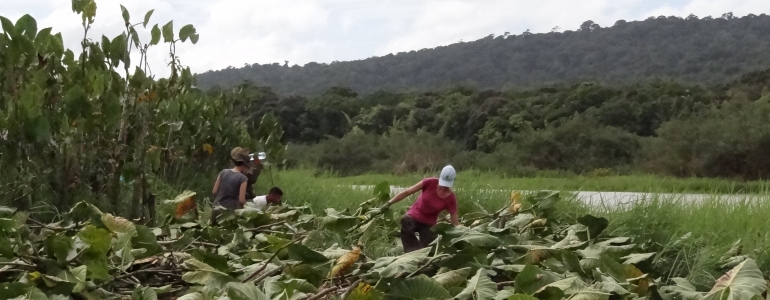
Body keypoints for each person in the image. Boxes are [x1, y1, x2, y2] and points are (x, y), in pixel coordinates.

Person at [381, 165, 460, 253]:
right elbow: (407, 192)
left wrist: (462, 235)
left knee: (430, 251)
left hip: (429, 224)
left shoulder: (451, 198)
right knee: (406, 221)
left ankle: (421, 252)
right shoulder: (430, 182)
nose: (443, 187)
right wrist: (389, 203)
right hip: (414, 216)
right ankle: (413, 252)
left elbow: (454, 220)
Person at [211, 150, 253, 221]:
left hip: (216, 208)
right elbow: (241, 200)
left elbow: (214, 191)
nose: (247, 171)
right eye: (247, 168)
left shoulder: (223, 172)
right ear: (243, 166)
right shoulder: (243, 178)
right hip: (228, 212)